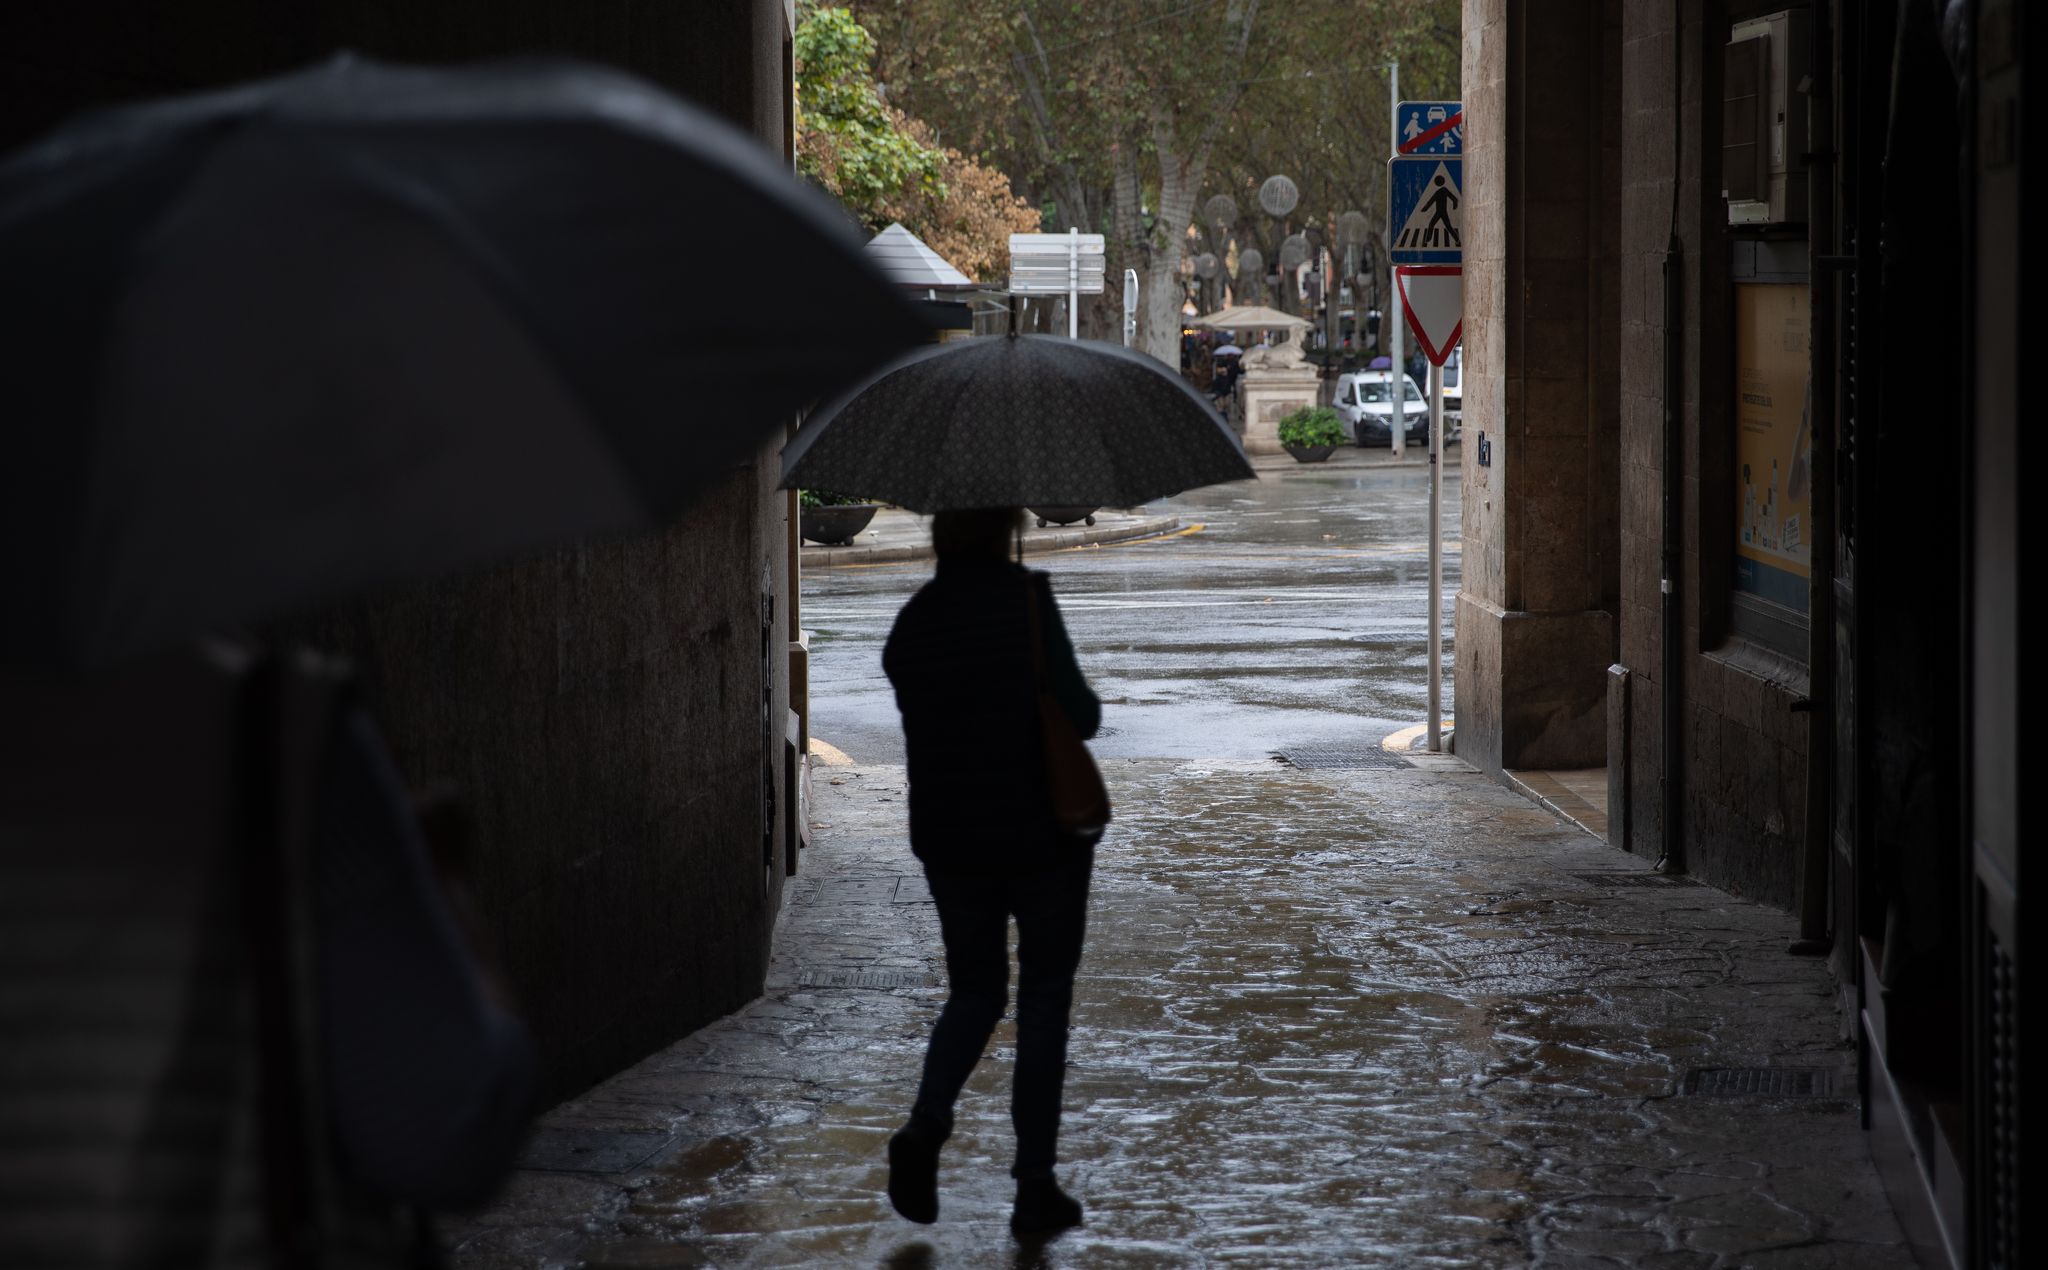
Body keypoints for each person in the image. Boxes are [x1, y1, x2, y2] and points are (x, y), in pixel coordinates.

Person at [880, 507, 1101, 1236]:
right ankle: (1034, 1186)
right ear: (1004, 527)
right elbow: (1082, 714)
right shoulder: (1027, 602)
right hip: (1042, 837)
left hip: (951, 839)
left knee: (973, 991)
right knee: (1043, 999)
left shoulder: (916, 620)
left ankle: (925, 1124)